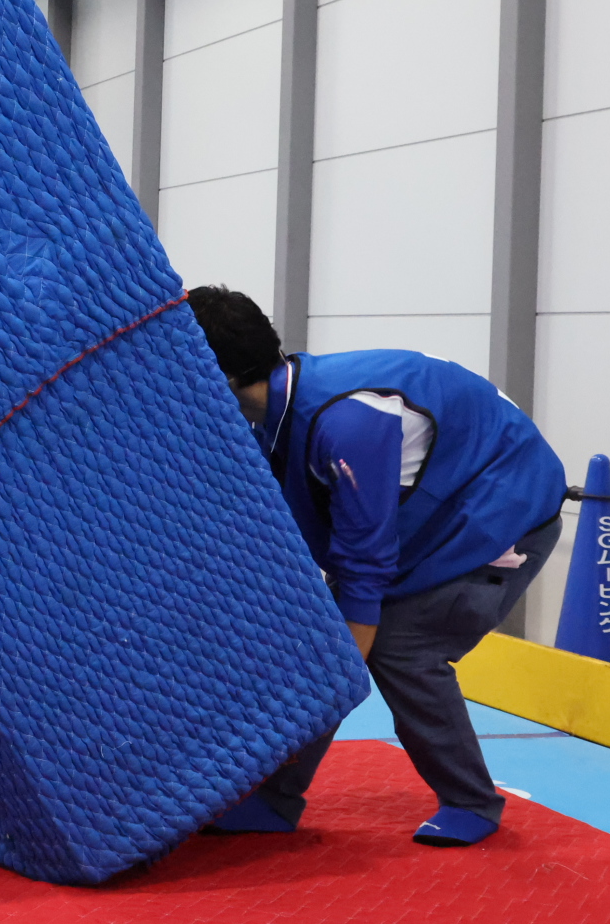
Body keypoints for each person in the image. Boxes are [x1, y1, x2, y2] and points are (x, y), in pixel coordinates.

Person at [187, 286, 568, 848]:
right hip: (433, 513)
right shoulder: (277, 410)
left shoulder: (346, 424)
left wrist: (347, 655)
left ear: (219, 377)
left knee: (400, 649)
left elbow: (365, 564)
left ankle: (471, 801)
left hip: (501, 516)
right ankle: (273, 799)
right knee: (321, 644)